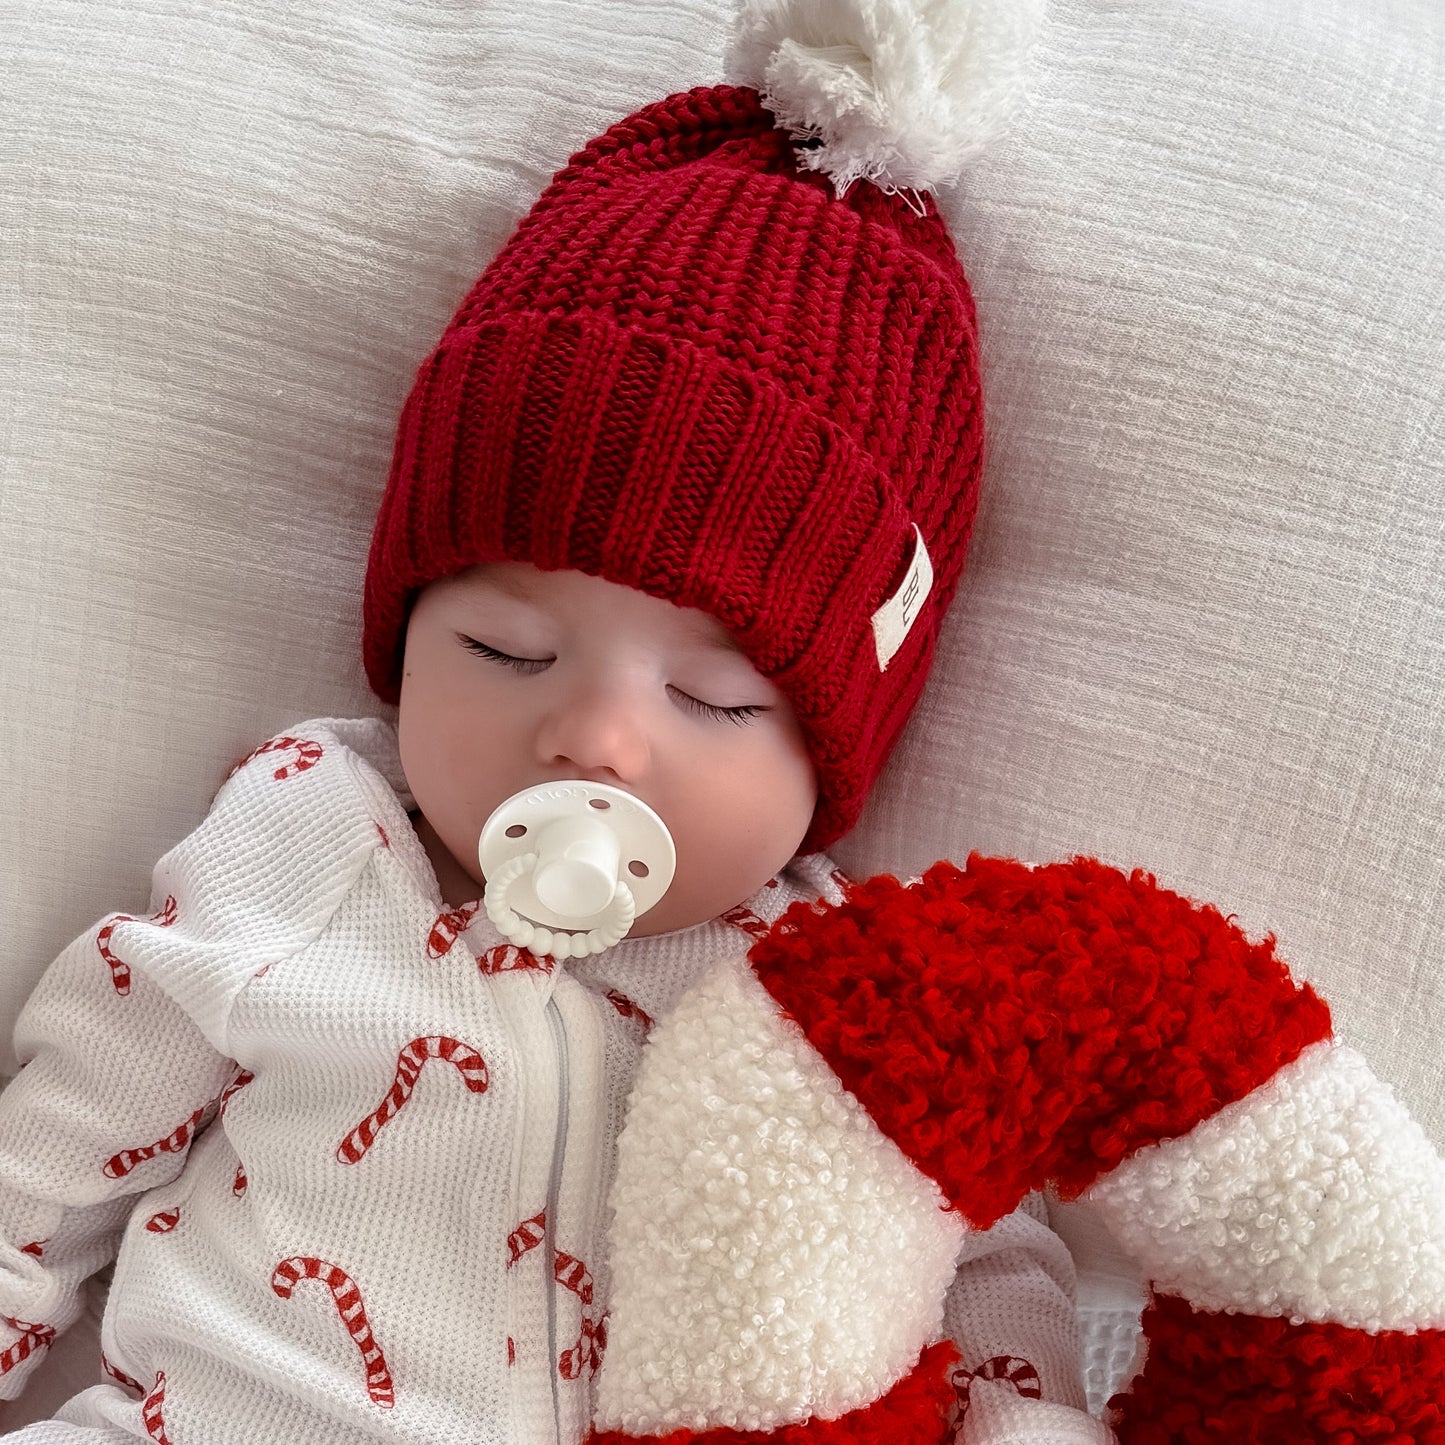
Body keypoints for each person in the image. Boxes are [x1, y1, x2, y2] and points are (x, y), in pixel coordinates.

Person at [0, 22, 1114, 1445]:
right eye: (504, 649)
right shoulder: (316, 834)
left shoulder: (843, 999)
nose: (591, 737)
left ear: (831, 759)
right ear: (403, 638)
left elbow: (982, 1252)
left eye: (714, 699)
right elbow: (80, 1116)